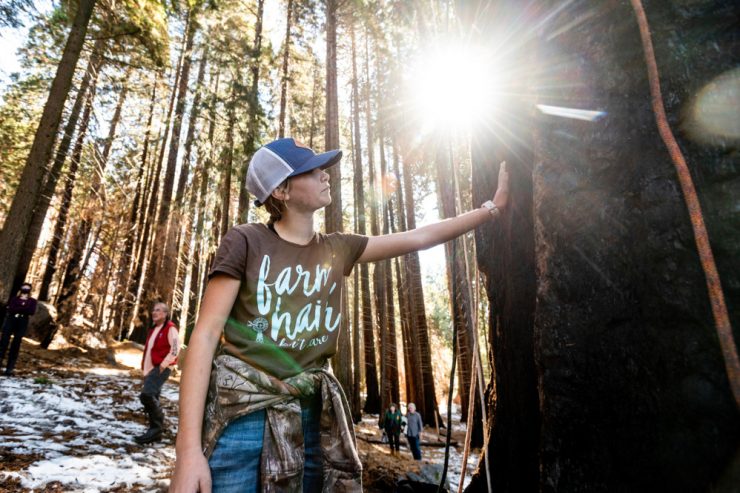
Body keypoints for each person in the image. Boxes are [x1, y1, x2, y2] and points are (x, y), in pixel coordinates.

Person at [169, 137, 509, 492]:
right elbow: (205, 337)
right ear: (282, 190)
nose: (325, 175)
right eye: (311, 171)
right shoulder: (245, 241)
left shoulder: (337, 249)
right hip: (243, 419)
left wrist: (492, 208)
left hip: (315, 418)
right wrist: (188, 451)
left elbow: (419, 236)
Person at [135, 302, 178, 444]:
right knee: (153, 396)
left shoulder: (171, 329)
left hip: (161, 367)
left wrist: (163, 365)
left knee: (146, 395)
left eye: (158, 310)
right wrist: (145, 370)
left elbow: (175, 349)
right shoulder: (153, 329)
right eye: (153, 310)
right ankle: (155, 433)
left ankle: (157, 427)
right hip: (151, 369)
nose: (154, 312)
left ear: (165, 314)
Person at [0, 282, 37, 376]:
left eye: (27, 288)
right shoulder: (14, 299)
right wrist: (23, 308)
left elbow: (31, 311)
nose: (25, 289)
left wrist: (19, 308)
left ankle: (9, 369)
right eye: (24, 287)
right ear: (20, 288)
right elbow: (10, 308)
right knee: (3, 342)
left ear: (30, 290)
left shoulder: (32, 301)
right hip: (10, 320)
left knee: (16, 343)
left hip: (22, 322)